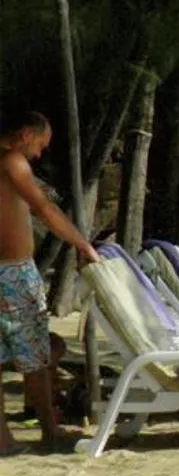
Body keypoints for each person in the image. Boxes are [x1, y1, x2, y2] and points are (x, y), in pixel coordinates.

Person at [1, 111, 98, 453]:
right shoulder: (12, 161)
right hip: (11, 274)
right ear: (26, 134)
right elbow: (43, 208)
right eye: (40, 145)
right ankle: (49, 431)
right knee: (37, 356)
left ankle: (4, 439)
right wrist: (82, 243)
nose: (39, 154)